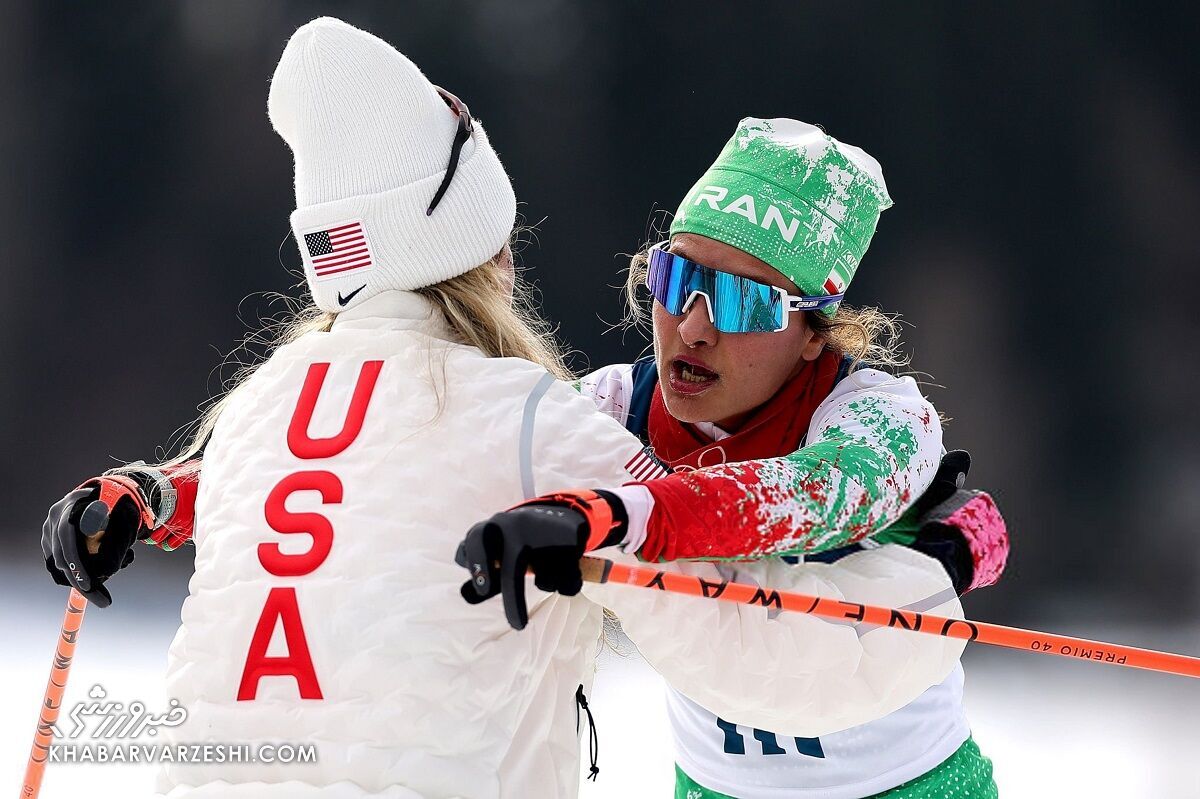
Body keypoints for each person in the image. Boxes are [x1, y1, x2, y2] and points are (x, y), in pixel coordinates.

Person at [458, 118, 1008, 798]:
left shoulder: (880, 415)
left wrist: (617, 513)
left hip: (907, 784)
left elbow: (813, 495)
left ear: (815, 334)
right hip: (714, 786)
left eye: (744, 301)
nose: (691, 326)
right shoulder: (611, 410)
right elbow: (452, 459)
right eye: (676, 276)